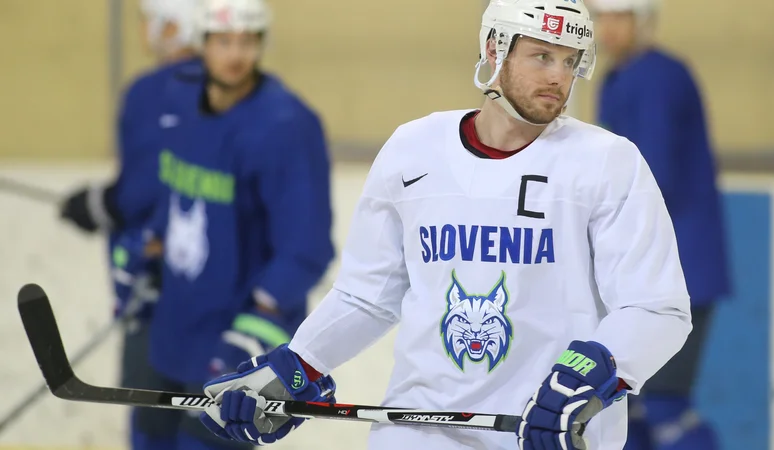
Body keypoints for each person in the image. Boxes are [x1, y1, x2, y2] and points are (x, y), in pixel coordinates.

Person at [196, 0, 693, 449]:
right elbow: (369, 294)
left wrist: (595, 371)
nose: (558, 77)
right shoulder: (414, 149)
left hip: (544, 434)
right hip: (417, 430)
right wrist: (300, 363)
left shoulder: (607, 162)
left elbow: (657, 308)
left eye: (569, 60)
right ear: (494, 48)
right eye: (542, 55)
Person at [134, 0, 335, 448]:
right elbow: (170, 198)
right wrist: (147, 254)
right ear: (202, 43)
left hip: (233, 342)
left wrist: (252, 333)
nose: (236, 54)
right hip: (171, 331)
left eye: (247, 41)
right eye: (223, 41)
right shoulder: (180, 102)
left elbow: (306, 248)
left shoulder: (288, 126)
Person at [57, 1, 203, 449]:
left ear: (173, 24)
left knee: (155, 425)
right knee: (219, 424)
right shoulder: (244, 93)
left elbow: (142, 188)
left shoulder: (150, 90)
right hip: (224, 301)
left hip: (157, 294)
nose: (143, 30)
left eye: (148, 19)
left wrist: (98, 205)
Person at [588, 1, 730, 449]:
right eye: (601, 17)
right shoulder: (617, 77)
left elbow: (652, 175)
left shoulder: (660, 76)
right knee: (631, 410)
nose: (607, 28)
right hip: (647, 268)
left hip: (681, 270)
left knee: (666, 409)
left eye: (619, 17)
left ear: (642, 20)